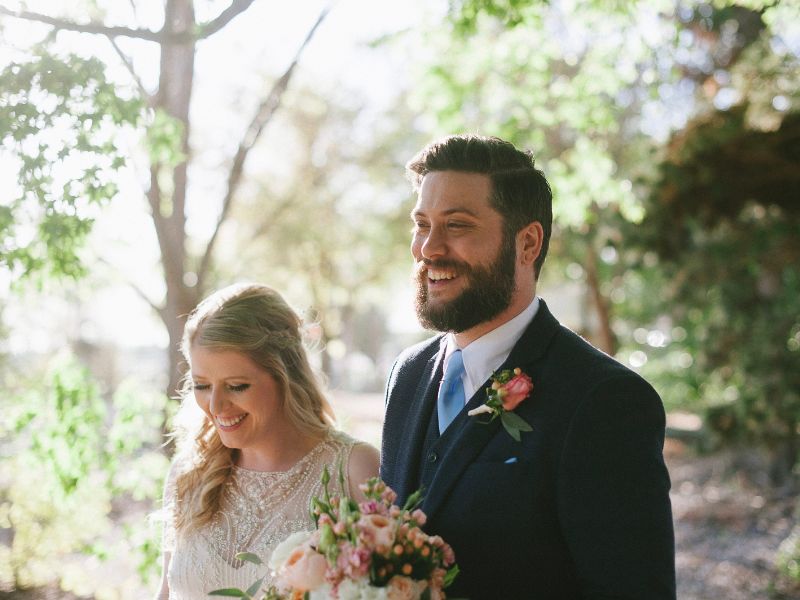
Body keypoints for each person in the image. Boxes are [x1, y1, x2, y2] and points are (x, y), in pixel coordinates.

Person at [380, 134, 676, 599]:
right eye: (422, 224)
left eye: (456, 226)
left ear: (527, 243)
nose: (428, 249)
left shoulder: (606, 401)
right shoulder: (407, 375)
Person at [154, 283, 380, 599]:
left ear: (285, 376)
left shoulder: (353, 469)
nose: (216, 406)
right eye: (202, 385)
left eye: (236, 386)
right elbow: (166, 592)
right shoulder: (187, 474)